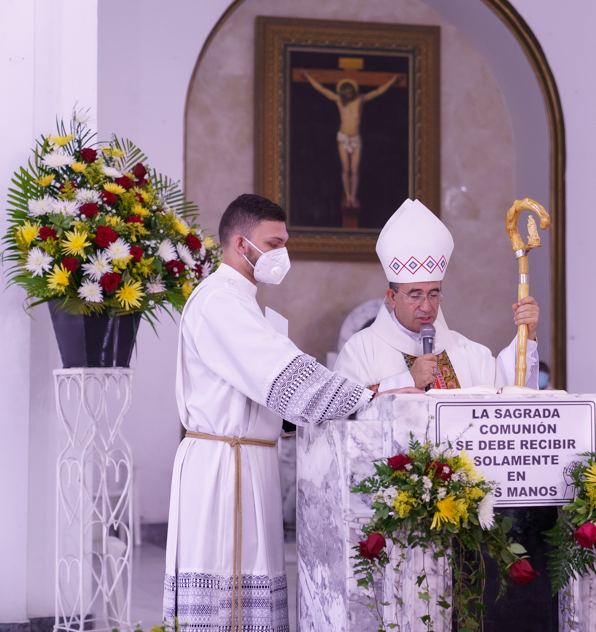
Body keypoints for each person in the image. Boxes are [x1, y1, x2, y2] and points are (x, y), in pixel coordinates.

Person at [163, 194, 414, 632]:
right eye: (273, 244)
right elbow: (289, 377)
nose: (282, 255)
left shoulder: (241, 301)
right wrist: (371, 395)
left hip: (247, 458)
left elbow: (268, 392)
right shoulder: (220, 301)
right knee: (226, 592)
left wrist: (367, 393)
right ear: (241, 244)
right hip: (225, 467)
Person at [334, 199, 541, 391]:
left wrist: (527, 335)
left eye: (433, 295)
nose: (426, 306)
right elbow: (342, 410)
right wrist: (408, 381)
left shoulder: (462, 349)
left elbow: (508, 392)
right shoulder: (361, 350)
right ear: (392, 297)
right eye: (415, 296)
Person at [302, 70, 401, 210]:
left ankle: (352, 197)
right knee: (346, 168)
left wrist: (393, 79)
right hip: (343, 137)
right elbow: (321, 89)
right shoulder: (339, 100)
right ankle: (348, 196)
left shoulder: (360, 100)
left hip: (355, 138)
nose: (348, 97)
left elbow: (379, 91)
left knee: (354, 169)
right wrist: (308, 77)